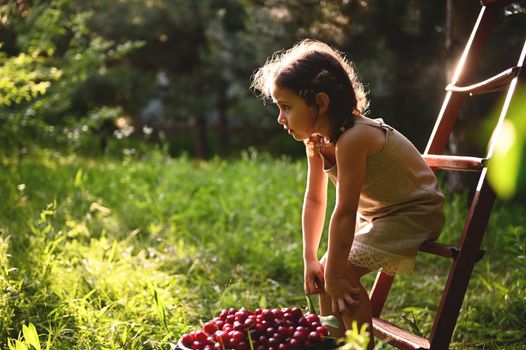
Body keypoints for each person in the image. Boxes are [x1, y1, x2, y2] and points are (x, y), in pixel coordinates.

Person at [250, 39, 445, 348]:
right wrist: (310, 258)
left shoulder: (356, 137)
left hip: (414, 212)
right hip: (379, 214)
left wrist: (338, 274)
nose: (280, 118)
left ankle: (357, 345)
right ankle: (334, 342)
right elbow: (315, 200)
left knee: (341, 276)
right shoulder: (316, 141)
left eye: (286, 107)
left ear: (321, 103)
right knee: (328, 274)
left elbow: (344, 209)